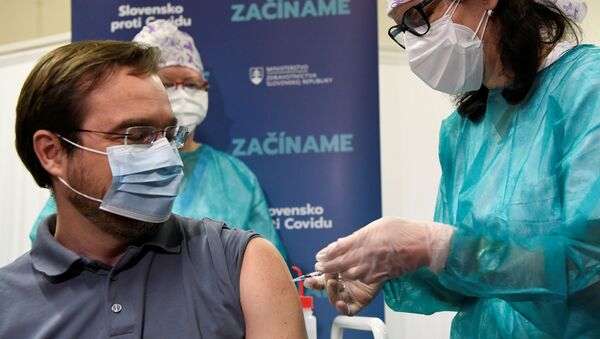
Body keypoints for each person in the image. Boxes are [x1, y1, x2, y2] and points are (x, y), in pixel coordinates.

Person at [306, 0, 600, 337]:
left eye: (419, 16)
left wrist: (439, 246)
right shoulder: (462, 131)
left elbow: (590, 269)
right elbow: (468, 281)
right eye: (403, 28)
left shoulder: (588, 89)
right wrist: (397, 268)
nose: (415, 41)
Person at [0, 40, 306, 338]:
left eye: (169, 134)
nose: (167, 157)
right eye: (136, 135)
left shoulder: (239, 263)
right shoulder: (8, 305)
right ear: (52, 152)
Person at [29, 19, 288, 261]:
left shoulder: (234, 177)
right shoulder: (90, 180)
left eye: (190, 84)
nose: (181, 93)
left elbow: (268, 264)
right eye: (166, 83)